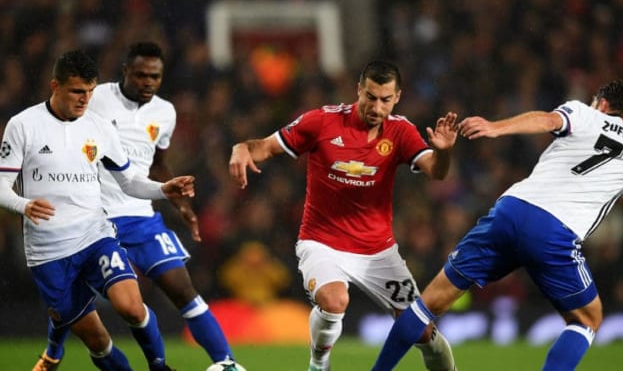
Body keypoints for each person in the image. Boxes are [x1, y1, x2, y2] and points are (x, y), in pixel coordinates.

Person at [371, 80, 623, 370]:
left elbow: (547, 120)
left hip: (510, 210)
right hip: (554, 232)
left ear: (602, 103)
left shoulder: (582, 112)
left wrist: (495, 127)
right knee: (587, 319)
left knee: (425, 306)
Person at [228, 60, 459, 371]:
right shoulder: (322, 122)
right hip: (321, 242)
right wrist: (243, 147)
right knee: (335, 301)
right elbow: (267, 147)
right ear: (358, 91)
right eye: (371, 97)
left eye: (385, 100)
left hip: (378, 251)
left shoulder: (401, 131)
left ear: (397, 98)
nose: (377, 107)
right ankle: (318, 365)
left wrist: (443, 151)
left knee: (422, 332)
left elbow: (436, 172)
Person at [32, 42, 245, 371]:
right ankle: (54, 351)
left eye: (155, 77)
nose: (148, 82)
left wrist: (181, 206)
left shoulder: (165, 113)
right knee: (74, 298)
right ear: (125, 72)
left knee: (183, 288)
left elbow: (157, 164)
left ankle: (227, 363)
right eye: (141, 75)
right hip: (95, 220)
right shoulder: (95, 98)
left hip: (141, 217)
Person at [0, 49, 195, 371]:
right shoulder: (23, 125)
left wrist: (162, 189)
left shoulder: (99, 127)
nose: (85, 99)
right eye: (77, 91)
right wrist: (24, 205)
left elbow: (129, 181)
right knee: (98, 341)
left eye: (90, 92)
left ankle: (160, 367)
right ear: (55, 86)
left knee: (132, 307)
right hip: (48, 253)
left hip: (95, 236)